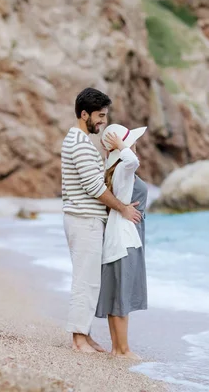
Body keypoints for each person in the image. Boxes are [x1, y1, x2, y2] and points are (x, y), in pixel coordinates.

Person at [61, 88, 141, 353]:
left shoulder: (79, 141)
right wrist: (122, 208)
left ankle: (85, 335)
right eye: (100, 116)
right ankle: (77, 340)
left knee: (90, 280)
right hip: (83, 220)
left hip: (85, 218)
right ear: (84, 114)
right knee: (85, 280)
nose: (103, 121)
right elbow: (94, 187)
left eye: (105, 116)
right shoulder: (80, 144)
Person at [95, 123, 149, 360]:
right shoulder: (123, 169)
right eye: (132, 141)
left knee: (117, 293)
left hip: (123, 236)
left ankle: (118, 348)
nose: (135, 145)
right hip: (124, 238)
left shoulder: (114, 170)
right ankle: (123, 350)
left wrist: (120, 147)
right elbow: (132, 161)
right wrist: (122, 146)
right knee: (122, 295)